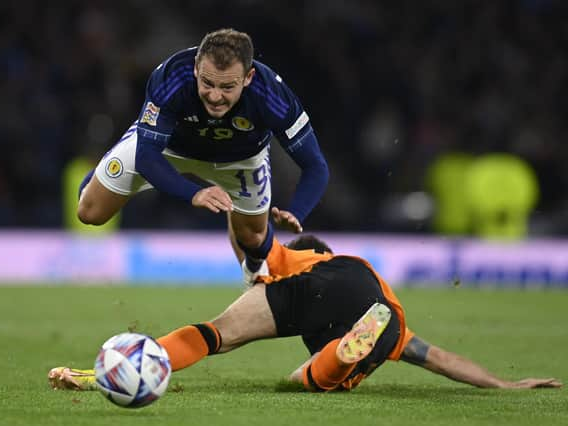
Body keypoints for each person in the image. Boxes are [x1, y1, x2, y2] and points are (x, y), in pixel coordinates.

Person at [48, 234, 562, 392]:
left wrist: (252, 217)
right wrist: (504, 386)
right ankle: (344, 352)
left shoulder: (293, 258)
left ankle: (105, 375)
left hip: (304, 289)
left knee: (214, 336)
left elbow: (250, 246)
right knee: (315, 374)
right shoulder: (343, 261)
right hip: (373, 299)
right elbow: (443, 358)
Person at [77, 28, 329, 284]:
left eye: (227, 86)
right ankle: (97, 177)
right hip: (169, 147)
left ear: (248, 77)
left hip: (240, 158)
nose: (215, 96)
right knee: (89, 212)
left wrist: (297, 212)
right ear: (196, 68)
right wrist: (194, 193)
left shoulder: (273, 95)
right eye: (207, 83)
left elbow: (316, 166)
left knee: (253, 238)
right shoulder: (172, 76)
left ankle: (254, 266)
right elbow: (146, 156)